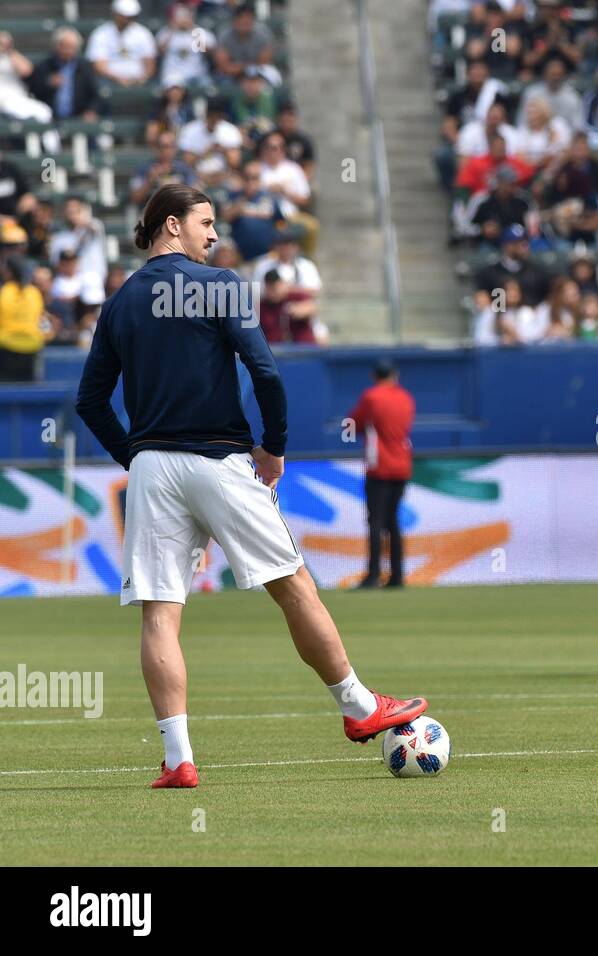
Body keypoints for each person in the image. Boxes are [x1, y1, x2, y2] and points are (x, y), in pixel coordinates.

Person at [74, 184, 427, 789]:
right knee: (293, 585)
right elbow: (265, 372)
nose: (215, 234)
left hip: (155, 468)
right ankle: (359, 708)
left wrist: (133, 458)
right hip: (222, 460)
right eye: (205, 222)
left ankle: (179, 759)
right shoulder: (221, 288)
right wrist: (275, 447)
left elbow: (90, 401)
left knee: (160, 616)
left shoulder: (121, 301)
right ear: (171, 226)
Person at [349, 360, 416, 589]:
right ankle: (397, 575)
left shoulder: (372, 397)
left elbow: (352, 424)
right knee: (393, 521)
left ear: (374, 376)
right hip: (403, 465)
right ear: (395, 375)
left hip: (379, 466)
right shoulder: (406, 397)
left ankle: (373, 575)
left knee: (375, 522)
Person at [0, 256, 44, 382]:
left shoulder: (3, 292)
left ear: (9, 272)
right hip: (31, 349)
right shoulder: (34, 292)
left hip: (6, 349)